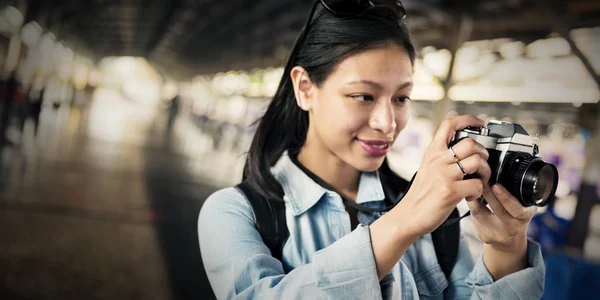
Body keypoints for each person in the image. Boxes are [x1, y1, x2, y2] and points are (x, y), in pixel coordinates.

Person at [198, 1, 545, 299]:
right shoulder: (235, 213)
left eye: (401, 98)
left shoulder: (438, 221)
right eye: (363, 96)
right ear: (305, 89)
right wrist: (403, 220)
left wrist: (505, 247)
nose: (387, 122)